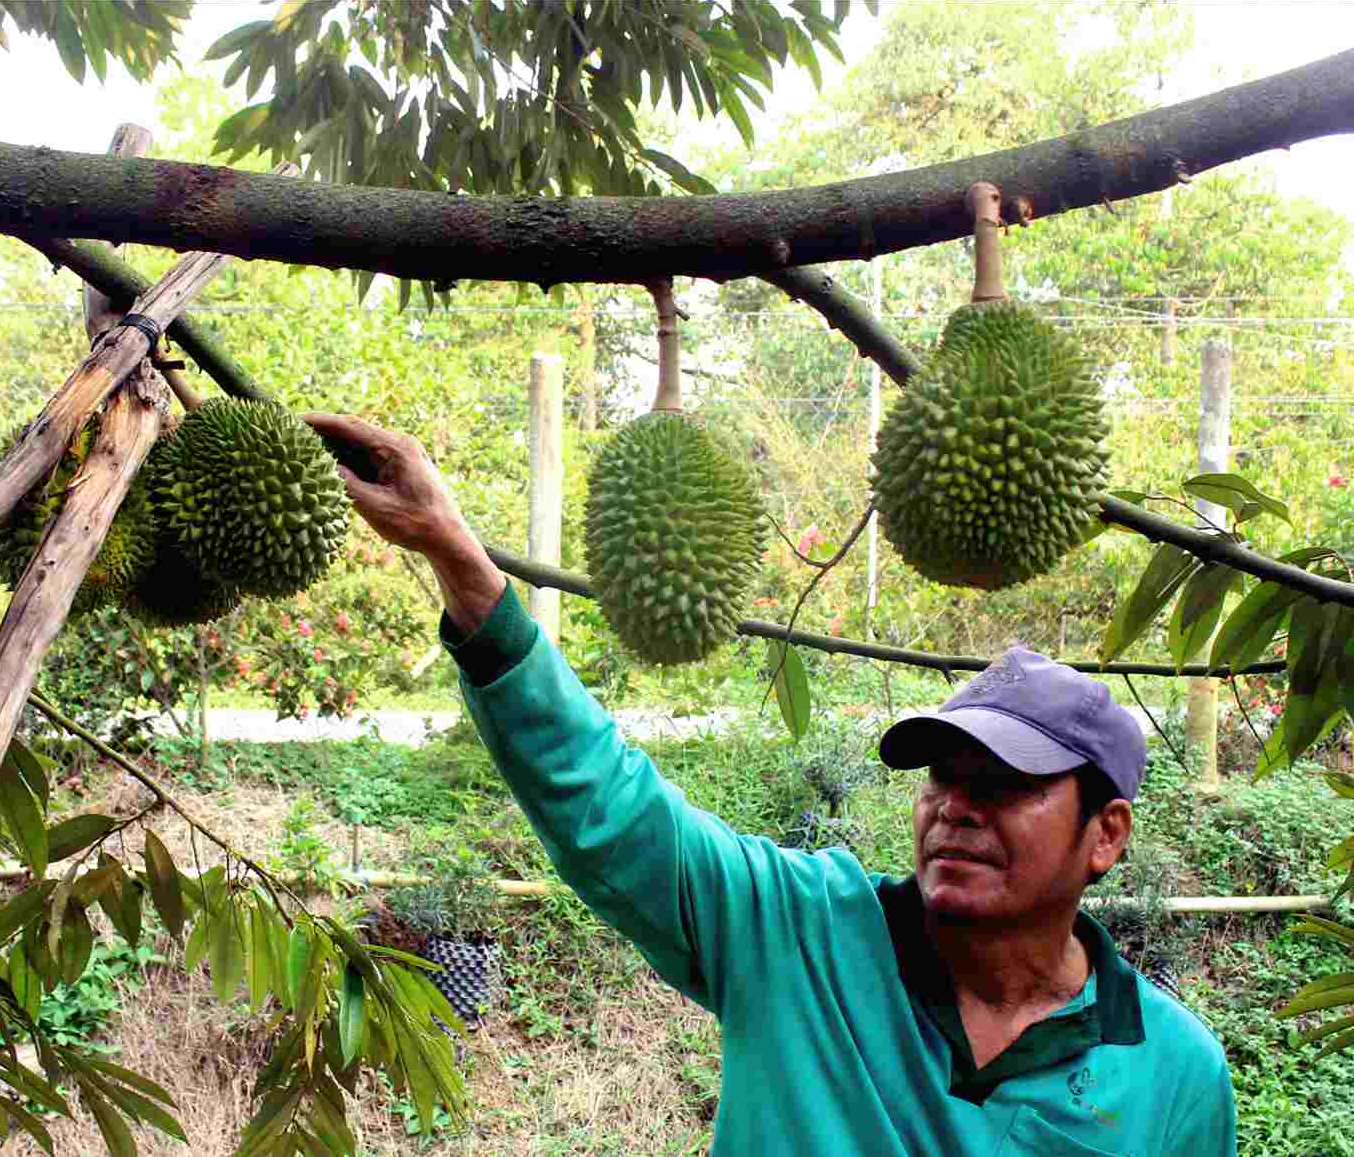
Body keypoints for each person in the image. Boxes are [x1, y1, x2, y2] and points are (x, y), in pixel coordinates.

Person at [306, 413, 1238, 1157]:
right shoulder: (800, 933)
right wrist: (458, 558)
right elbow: (614, 816)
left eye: (1004, 783)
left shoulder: (1174, 1075)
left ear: (1106, 834)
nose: (957, 803)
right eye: (943, 775)